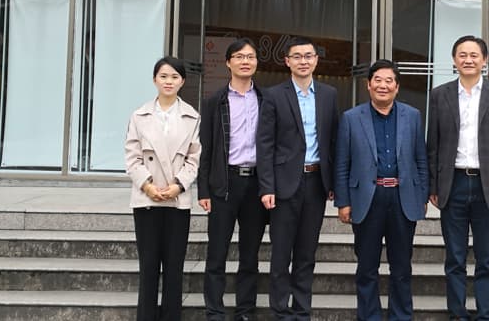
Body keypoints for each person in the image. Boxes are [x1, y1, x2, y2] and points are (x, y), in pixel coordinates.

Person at [427, 35, 489, 321]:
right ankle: (457, 314)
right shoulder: (439, 94)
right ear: (454, 60)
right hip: (452, 183)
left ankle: (485, 314)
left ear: (484, 60)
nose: (468, 60)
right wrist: (432, 185)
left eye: (474, 55)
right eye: (462, 55)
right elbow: (433, 145)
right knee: (454, 257)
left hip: (487, 185)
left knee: (486, 258)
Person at [334, 59, 428, 321]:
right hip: (367, 198)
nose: (383, 86)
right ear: (368, 85)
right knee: (367, 267)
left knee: (402, 267)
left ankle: (401, 316)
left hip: (402, 197)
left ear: (397, 87)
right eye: (377, 80)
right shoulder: (351, 118)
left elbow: (421, 159)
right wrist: (343, 201)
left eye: (389, 81)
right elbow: (342, 163)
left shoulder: (412, 116)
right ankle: (369, 316)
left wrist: (421, 196)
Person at [256, 36, 340, 319]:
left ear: (316, 60)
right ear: (287, 61)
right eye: (297, 56)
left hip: (316, 183)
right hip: (283, 185)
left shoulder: (329, 94)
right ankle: (280, 311)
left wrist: (333, 183)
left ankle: (302, 311)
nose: (303, 61)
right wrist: (266, 186)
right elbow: (264, 144)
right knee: (281, 254)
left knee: (306, 253)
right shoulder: (273, 95)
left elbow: (333, 141)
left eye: (308, 56)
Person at [124, 56, 201, 321]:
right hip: (146, 200)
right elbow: (132, 157)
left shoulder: (192, 117)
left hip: (177, 201)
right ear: (155, 80)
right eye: (164, 76)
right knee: (148, 267)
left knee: (174, 267)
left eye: (174, 77)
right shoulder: (139, 115)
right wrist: (147, 185)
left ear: (183, 81)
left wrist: (178, 185)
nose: (169, 81)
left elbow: (194, 158)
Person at [197, 38, 267, 321]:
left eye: (250, 56)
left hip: (256, 184)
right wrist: (203, 190)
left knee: (250, 255)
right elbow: (206, 149)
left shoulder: (266, 100)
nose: (245, 61)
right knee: (217, 253)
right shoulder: (214, 102)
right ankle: (214, 312)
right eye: (239, 57)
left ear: (256, 62)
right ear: (228, 63)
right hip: (224, 183)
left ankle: (245, 311)